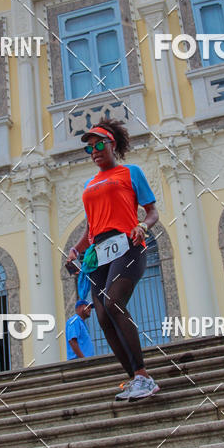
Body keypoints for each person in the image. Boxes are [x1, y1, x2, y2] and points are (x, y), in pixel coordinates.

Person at [67, 119, 160, 400]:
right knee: (104, 316)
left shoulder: (130, 172)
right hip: (99, 252)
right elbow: (91, 228)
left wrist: (142, 226)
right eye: (89, 148)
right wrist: (76, 249)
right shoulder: (89, 183)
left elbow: (152, 211)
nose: (94, 151)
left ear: (112, 145)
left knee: (113, 302)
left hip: (128, 245)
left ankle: (144, 375)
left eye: (98, 145)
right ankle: (133, 379)